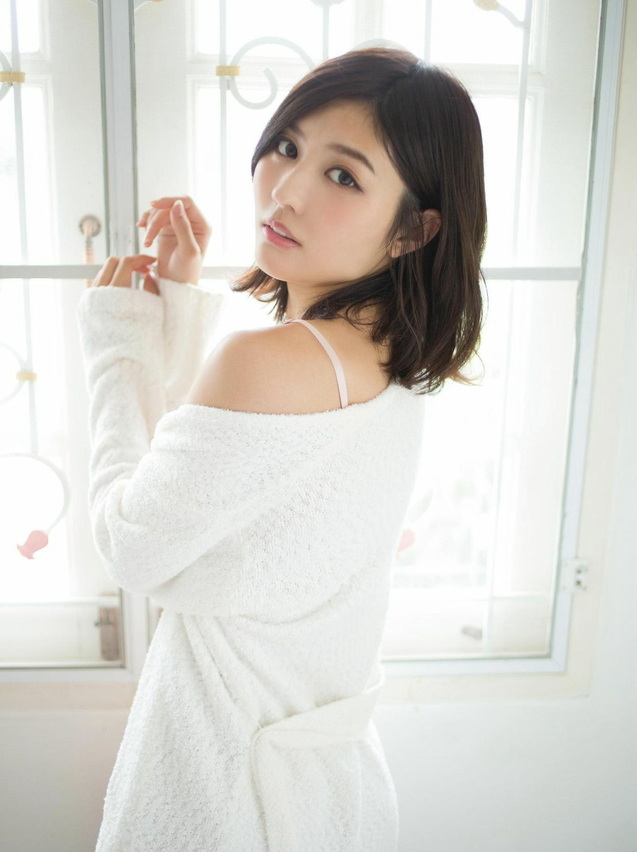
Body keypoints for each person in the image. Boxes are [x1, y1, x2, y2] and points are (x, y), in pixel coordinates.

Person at [77, 47, 486, 851]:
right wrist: (178, 303)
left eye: (342, 175)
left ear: (413, 228)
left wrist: (118, 347)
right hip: (324, 791)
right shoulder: (390, 363)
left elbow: (136, 544)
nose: (286, 190)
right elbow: (219, 490)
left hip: (227, 793)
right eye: (287, 146)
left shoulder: (272, 362)